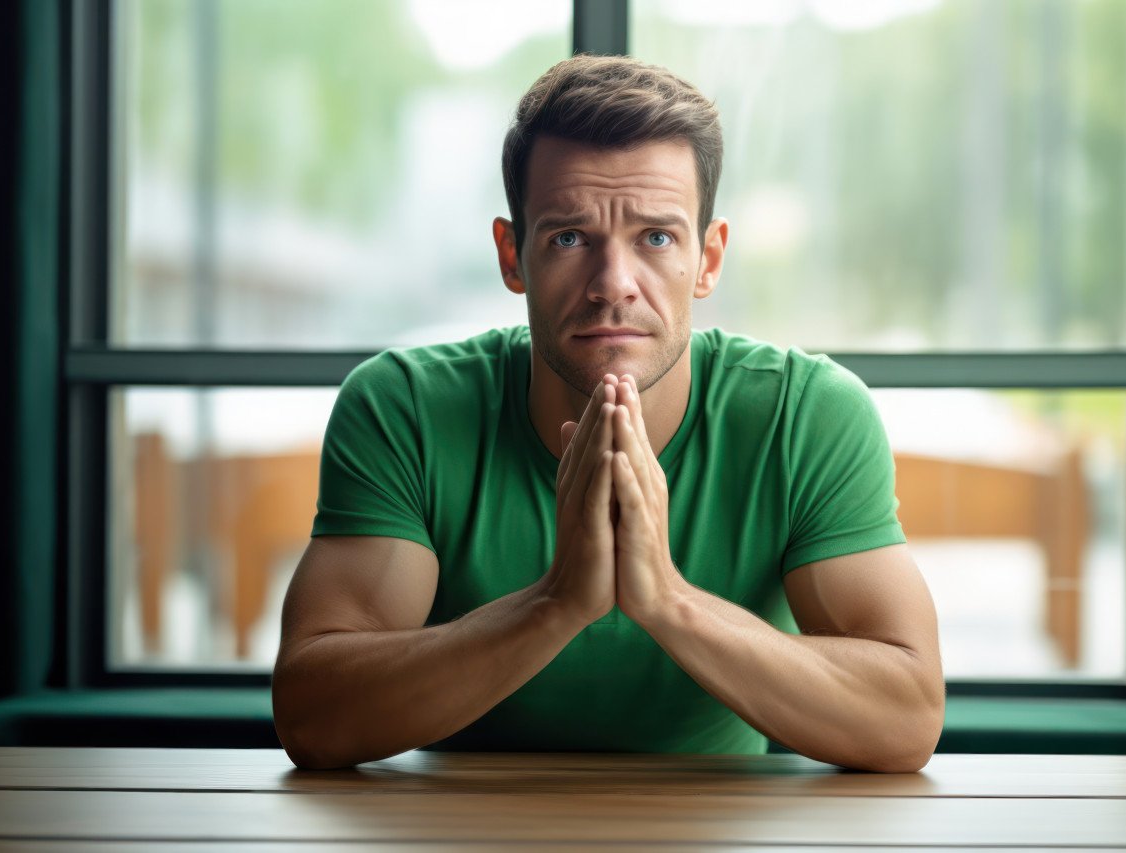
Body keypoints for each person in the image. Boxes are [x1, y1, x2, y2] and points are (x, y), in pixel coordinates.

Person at [271, 54, 944, 772]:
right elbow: (314, 714)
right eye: (568, 238)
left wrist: (671, 601)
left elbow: (905, 717)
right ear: (512, 255)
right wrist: (556, 602)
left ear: (709, 259)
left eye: (656, 237)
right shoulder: (403, 407)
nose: (613, 285)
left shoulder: (804, 414)